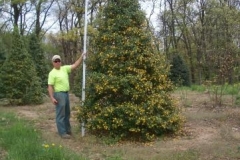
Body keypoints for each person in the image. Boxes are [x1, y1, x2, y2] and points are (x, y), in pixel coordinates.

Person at [48, 53, 85, 139]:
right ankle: (62, 132)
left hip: (66, 93)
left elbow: (75, 65)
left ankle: (68, 130)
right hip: (59, 94)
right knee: (61, 114)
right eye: (55, 61)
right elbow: (50, 86)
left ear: (60, 61)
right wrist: (52, 98)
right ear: (53, 62)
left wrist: (81, 56)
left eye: (58, 60)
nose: (57, 62)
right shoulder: (52, 73)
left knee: (67, 113)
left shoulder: (64, 69)